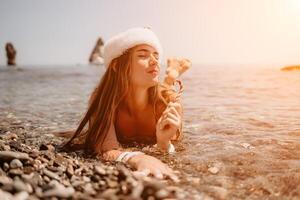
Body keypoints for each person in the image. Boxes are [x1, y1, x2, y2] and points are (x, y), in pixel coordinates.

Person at [62, 27, 183, 180]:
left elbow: (172, 147)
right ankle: (172, 74)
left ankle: (173, 73)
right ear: (116, 66)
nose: (155, 61)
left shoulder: (167, 101)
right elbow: (107, 149)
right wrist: (139, 158)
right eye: (143, 55)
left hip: (162, 92)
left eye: (156, 55)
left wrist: (164, 144)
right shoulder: (103, 99)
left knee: (166, 86)